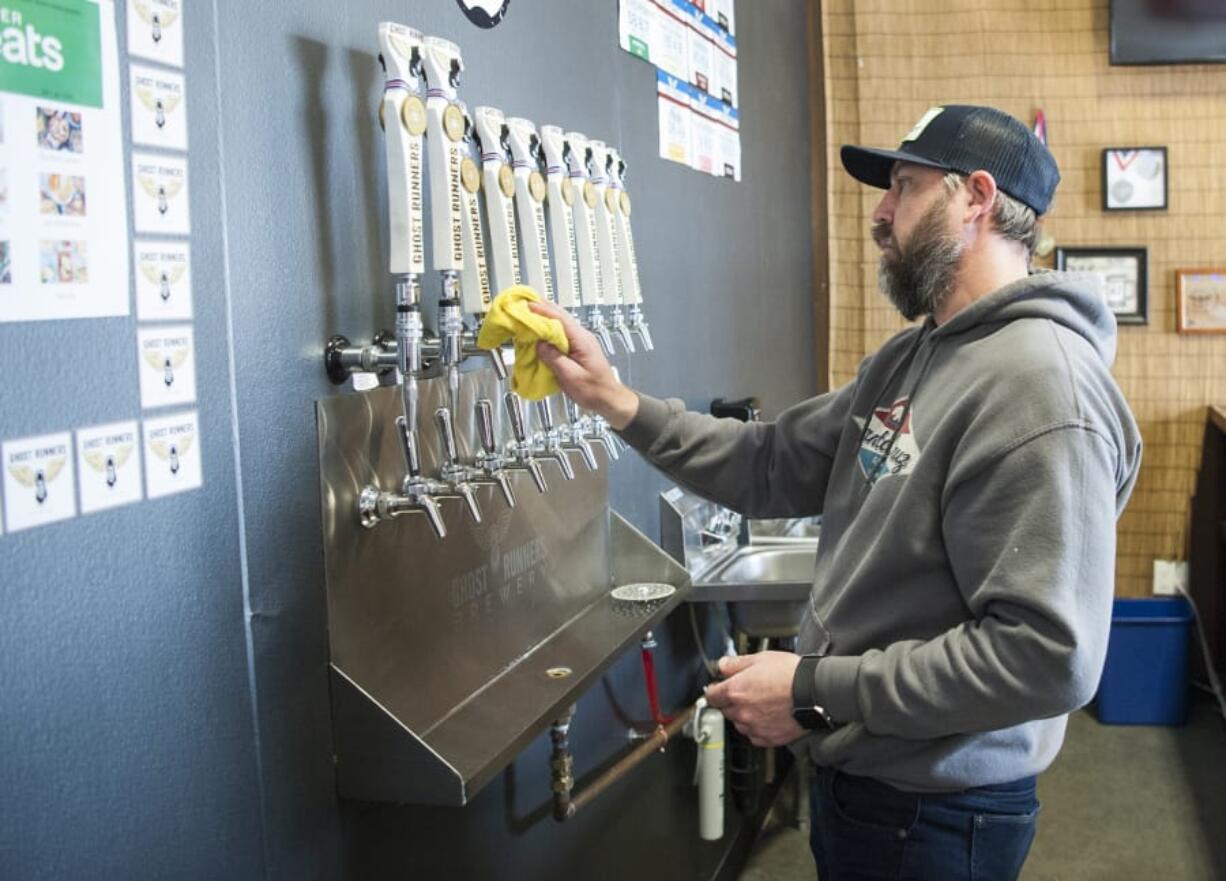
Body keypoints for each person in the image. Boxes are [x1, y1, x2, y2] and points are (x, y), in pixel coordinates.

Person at [532, 104, 1142, 881]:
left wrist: (814, 690)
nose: (882, 214)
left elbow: (1047, 656)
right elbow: (770, 461)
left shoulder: (1043, 388)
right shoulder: (912, 357)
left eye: (906, 186)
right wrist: (618, 402)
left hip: (941, 811)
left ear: (977, 197)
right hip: (868, 779)